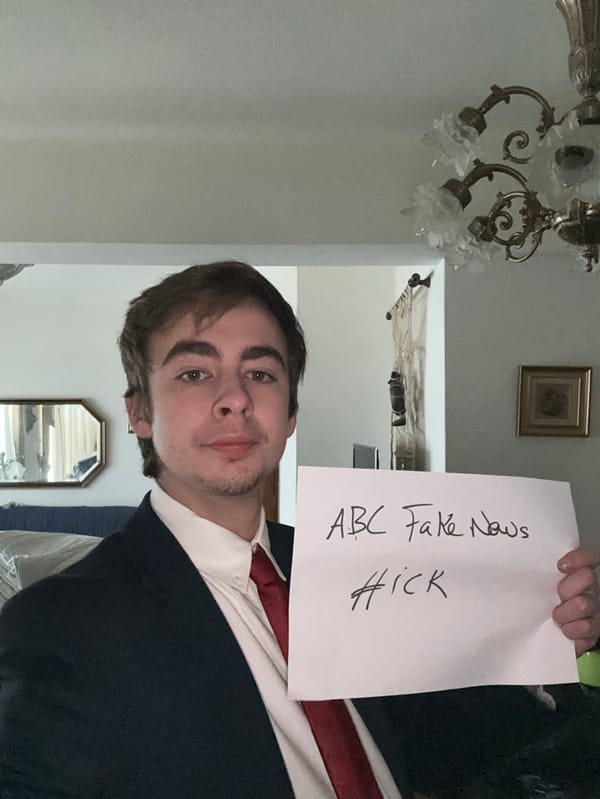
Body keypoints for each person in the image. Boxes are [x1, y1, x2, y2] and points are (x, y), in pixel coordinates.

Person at [0, 261, 598, 799]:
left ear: (289, 414)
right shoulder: (53, 627)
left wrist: (535, 650)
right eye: (193, 373)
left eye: (260, 373)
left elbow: (432, 747)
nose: (234, 398)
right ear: (139, 413)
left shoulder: (362, 569)